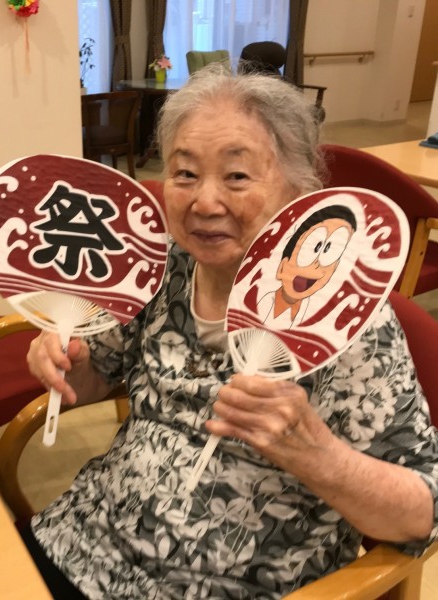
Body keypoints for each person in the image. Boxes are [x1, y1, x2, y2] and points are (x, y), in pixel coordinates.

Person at [23, 64, 438, 599]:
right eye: (185, 173)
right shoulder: (159, 267)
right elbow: (90, 380)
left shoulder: (346, 318)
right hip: (87, 540)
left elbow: (422, 513)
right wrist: (66, 365)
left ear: (298, 190)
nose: (204, 202)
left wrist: (318, 456)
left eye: (237, 176)